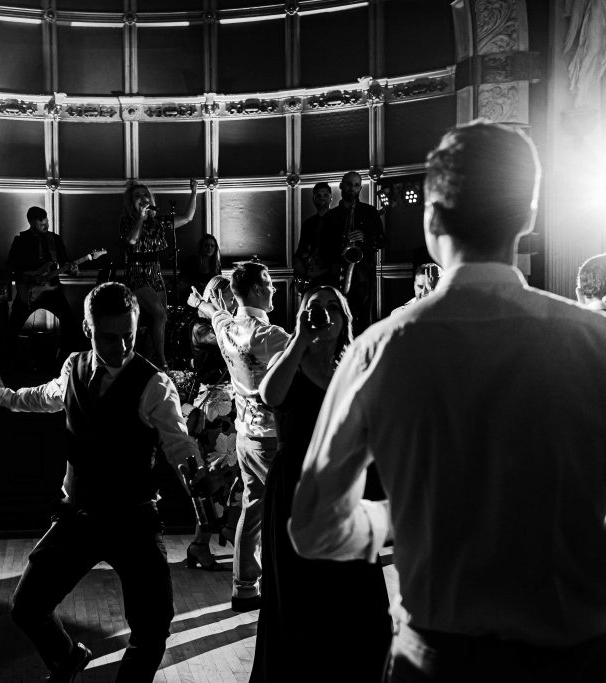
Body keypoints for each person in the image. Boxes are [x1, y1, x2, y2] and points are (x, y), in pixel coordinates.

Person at [289, 121, 606, 682]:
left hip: (438, 661)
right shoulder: (593, 343)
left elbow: (314, 524)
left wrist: (395, 518)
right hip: (576, 657)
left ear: (432, 220)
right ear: (527, 218)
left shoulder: (380, 350)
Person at [0, 282, 200, 682]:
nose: (120, 346)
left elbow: (179, 444)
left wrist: (196, 476)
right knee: (26, 607)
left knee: (152, 630)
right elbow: (46, 396)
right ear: (87, 328)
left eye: (129, 336)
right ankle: (66, 659)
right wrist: (3, 396)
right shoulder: (74, 368)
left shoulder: (154, 384)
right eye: (108, 337)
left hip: (133, 521)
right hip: (78, 517)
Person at [251, 285, 390, 680]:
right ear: (302, 315)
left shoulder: (356, 364)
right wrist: (300, 337)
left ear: (346, 318)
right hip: (297, 489)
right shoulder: (289, 362)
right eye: (315, 307)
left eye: (334, 307)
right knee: (299, 599)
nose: (324, 314)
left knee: (360, 597)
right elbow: (270, 395)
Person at [187, 262, 290, 612]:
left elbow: (214, 313)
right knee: (288, 510)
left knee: (254, 506)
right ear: (258, 290)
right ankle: (286, 586)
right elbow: (308, 361)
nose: (275, 288)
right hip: (272, 438)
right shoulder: (268, 335)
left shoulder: (227, 327)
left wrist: (201, 304)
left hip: (246, 435)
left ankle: (245, 587)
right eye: (270, 283)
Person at [182, 275, 239, 571]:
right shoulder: (202, 328)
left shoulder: (225, 321)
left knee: (230, 475)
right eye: (228, 298)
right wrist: (208, 309)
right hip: (214, 409)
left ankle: (211, 538)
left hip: (229, 407)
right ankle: (205, 541)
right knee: (217, 476)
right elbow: (226, 338)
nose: (234, 302)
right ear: (215, 298)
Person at [119, 179, 199, 368]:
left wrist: (194, 192)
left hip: (155, 272)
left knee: (158, 320)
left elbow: (187, 217)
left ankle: (147, 362)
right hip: (137, 272)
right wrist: (140, 216)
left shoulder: (158, 223)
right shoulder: (127, 221)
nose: (143, 198)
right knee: (160, 315)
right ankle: (162, 363)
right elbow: (131, 240)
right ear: (131, 202)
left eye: (145, 195)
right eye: (137, 196)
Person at [6, 206, 84, 362]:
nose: (45, 226)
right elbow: (11, 267)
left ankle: (67, 360)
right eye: (40, 224)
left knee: (70, 324)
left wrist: (72, 269)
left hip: (52, 290)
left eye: (46, 222)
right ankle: (9, 363)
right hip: (29, 290)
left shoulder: (54, 239)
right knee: (12, 327)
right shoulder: (20, 240)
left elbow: (64, 263)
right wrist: (30, 277)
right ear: (30, 222)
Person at [312, 172, 386, 333]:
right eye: (348, 184)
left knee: (364, 318)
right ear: (341, 185)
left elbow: (382, 241)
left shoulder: (370, 212)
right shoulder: (331, 216)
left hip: (363, 276)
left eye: (356, 185)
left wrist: (365, 236)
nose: (352, 188)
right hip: (336, 273)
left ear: (360, 188)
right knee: (338, 317)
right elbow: (322, 248)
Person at [291, 182, 333, 293]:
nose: (322, 198)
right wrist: (300, 264)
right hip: (313, 274)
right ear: (313, 199)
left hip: (332, 275)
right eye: (318, 195)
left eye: (325, 195)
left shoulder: (338, 220)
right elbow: (302, 249)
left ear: (331, 198)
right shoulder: (308, 224)